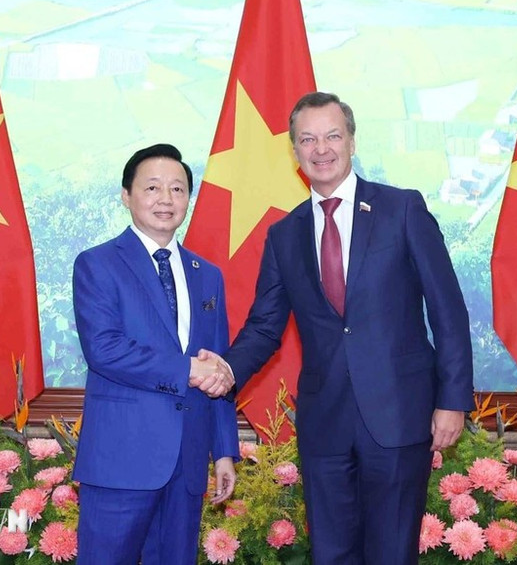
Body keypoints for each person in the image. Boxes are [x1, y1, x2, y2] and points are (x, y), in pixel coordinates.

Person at [200, 92, 474, 564]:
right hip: (324, 424)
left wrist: (451, 400)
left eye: (332, 136)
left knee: (391, 553)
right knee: (330, 554)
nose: (320, 149)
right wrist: (225, 370)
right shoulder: (284, 234)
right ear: (294, 150)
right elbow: (266, 327)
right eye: (307, 139)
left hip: (398, 416)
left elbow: (447, 311)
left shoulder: (402, 209)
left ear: (351, 141)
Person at [72, 143, 239, 565]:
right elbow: (104, 350)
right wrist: (187, 369)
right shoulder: (97, 264)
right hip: (120, 460)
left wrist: (223, 451)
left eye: (178, 189)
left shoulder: (208, 276)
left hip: (186, 464)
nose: (166, 199)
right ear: (126, 195)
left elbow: (217, 367)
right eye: (152, 187)